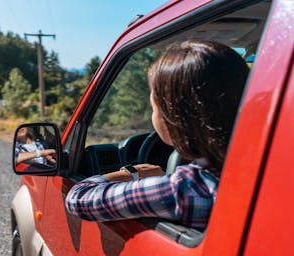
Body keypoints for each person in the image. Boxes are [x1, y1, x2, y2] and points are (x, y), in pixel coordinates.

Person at [65, 40, 250, 230]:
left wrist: (132, 173)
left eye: (153, 108)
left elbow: (77, 198)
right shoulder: (267, 166)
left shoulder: (184, 189)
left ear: (174, 118)